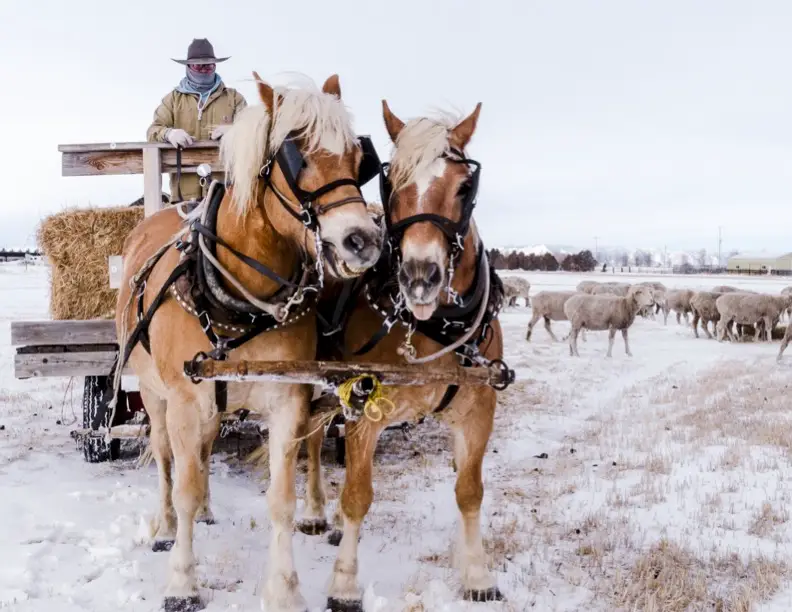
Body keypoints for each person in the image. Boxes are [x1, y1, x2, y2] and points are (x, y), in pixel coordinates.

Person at [147, 38, 247, 203]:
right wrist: (169, 133)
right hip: (183, 193)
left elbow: (251, 130)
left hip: (225, 191)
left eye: (208, 65)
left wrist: (234, 130)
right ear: (188, 67)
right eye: (198, 65)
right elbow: (152, 131)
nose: (204, 69)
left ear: (215, 66)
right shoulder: (172, 100)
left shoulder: (234, 98)